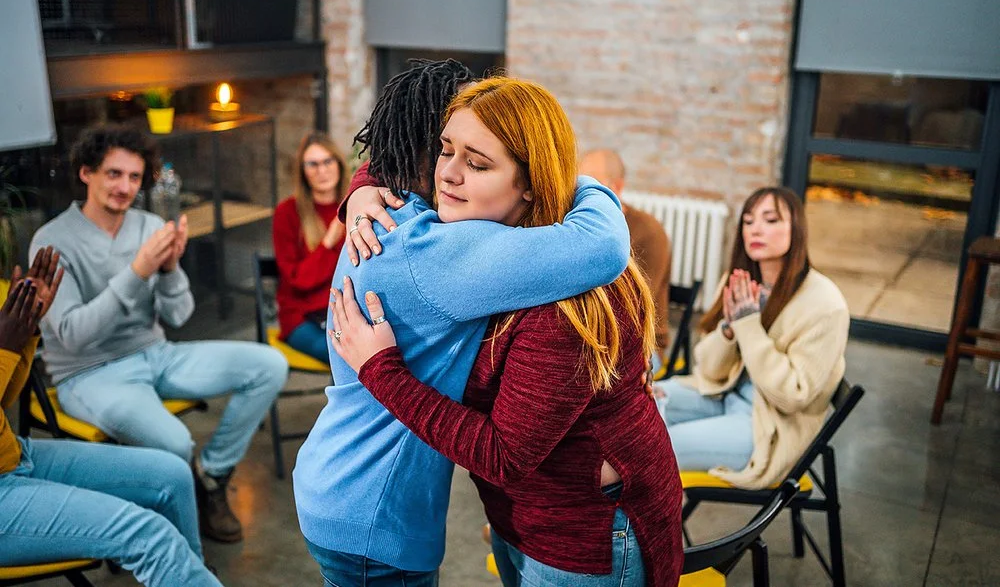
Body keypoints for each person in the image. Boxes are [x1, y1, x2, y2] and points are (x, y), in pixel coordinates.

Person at [329, 77, 683, 587]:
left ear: (530, 183)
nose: (447, 174)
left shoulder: (564, 302)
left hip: (587, 531)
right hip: (520, 515)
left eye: (477, 164)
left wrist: (381, 372)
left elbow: (505, 455)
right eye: (445, 150)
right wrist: (364, 184)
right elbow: (401, 152)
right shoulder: (485, 251)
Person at [29, 124, 288, 543]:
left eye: (134, 177)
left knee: (268, 365)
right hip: (90, 373)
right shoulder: (53, 241)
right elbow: (74, 336)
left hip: (156, 353)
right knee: (177, 443)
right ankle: (179, 524)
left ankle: (212, 476)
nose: (125, 187)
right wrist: (138, 271)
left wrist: (168, 271)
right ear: (86, 173)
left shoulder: (148, 225)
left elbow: (179, 315)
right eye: (114, 174)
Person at [0, 248, 222, 587]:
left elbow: (5, 399)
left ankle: (189, 576)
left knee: (173, 474)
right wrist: (5, 349)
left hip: (13, 455)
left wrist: (24, 336)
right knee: (150, 536)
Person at [653, 187, 849, 489]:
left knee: (649, 449)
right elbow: (709, 371)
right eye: (748, 221)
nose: (755, 229)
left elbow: (792, 396)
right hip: (723, 395)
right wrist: (729, 330)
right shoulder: (740, 282)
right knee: (634, 406)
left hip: (767, 428)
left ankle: (622, 518)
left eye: (770, 220)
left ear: (796, 228)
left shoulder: (825, 304)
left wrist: (748, 324)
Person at [580, 149, 672, 376]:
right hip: (593, 334)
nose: (582, 194)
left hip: (642, 346)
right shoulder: (582, 224)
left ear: (617, 187)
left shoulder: (648, 231)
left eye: (593, 185)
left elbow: (632, 310)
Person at [272, 132, 348, 362]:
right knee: (346, 357)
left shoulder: (353, 206)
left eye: (327, 161)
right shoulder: (287, 213)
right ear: (302, 171)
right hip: (302, 317)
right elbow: (299, 281)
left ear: (338, 164)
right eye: (312, 164)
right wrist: (329, 242)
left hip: (345, 311)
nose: (321, 170)